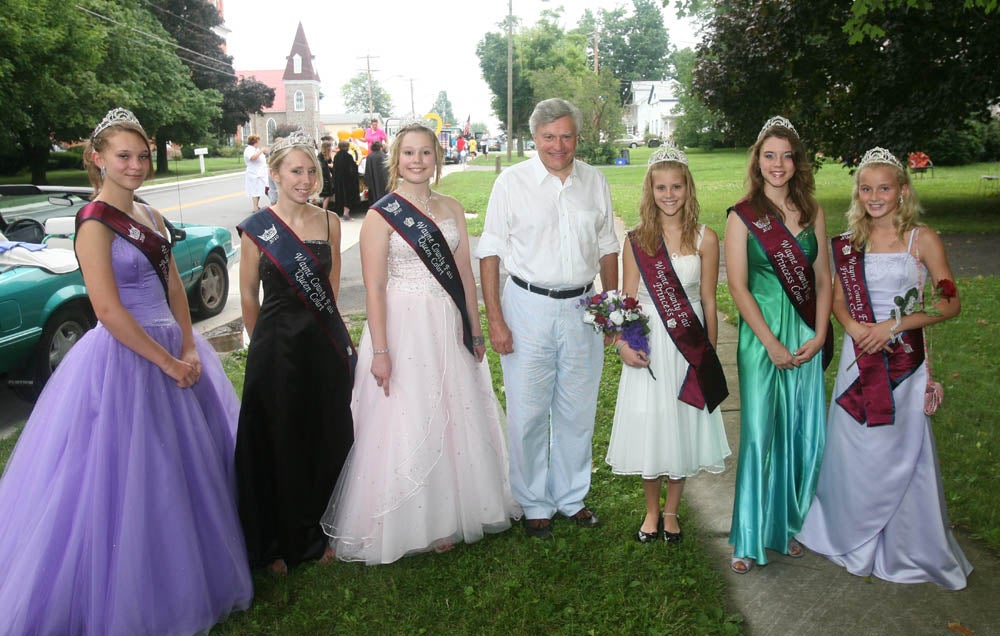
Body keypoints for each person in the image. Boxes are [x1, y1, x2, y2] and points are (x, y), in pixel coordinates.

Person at [0, 107, 252, 634]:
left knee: (184, 464)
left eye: (141, 156)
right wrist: (166, 361)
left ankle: (189, 561)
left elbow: (174, 285)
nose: (136, 165)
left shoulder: (150, 215)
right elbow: (108, 311)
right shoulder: (94, 223)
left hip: (174, 346)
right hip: (126, 357)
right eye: (123, 156)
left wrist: (188, 344)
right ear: (97, 159)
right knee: (124, 473)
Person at [322, 122, 520, 564]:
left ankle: (452, 513)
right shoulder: (381, 215)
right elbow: (374, 288)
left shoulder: (451, 207)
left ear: (437, 157)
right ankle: (411, 520)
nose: (418, 160)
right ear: (397, 159)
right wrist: (381, 350)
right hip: (402, 325)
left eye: (425, 152)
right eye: (409, 153)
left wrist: (475, 329)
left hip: (446, 323)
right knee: (410, 415)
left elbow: (464, 275)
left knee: (453, 413)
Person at [796, 147, 971, 589]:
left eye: (884, 188)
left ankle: (906, 543)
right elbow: (837, 298)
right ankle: (849, 530)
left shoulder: (922, 239)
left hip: (903, 363)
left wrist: (894, 325)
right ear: (858, 193)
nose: (875, 197)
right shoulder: (849, 242)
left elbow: (949, 302)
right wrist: (857, 329)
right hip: (859, 357)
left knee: (898, 448)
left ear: (902, 191)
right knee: (856, 445)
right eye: (866, 188)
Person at [476, 98, 619, 538]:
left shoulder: (594, 181)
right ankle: (534, 500)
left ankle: (571, 497)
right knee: (529, 410)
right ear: (534, 137)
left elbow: (608, 246)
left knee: (578, 409)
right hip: (527, 307)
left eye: (566, 136)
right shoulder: (511, 182)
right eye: (549, 136)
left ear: (578, 137)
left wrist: (610, 307)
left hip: (583, 308)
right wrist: (496, 320)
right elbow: (490, 251)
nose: (558, 145)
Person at [235, 131, 356, 576]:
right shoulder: (258, 229)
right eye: (295, 171)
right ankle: (277, 540)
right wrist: (262, 347)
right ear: (275, 174)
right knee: (280, 438)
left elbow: (332, 291)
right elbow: (247, 295)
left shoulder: (329, 222)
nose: (305, 180)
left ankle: (321, 529)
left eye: (311, 171)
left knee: (324, 432)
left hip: (320, 343)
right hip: (275, 347)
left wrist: (329, 338)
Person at [606, 146, 731, 544]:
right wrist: (624, 344)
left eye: (676, 186)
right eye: (661, 187)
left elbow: (708, 299)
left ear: (687, 188)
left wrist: (708, 353)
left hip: (688, 343)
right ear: (651, 190)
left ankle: (672, 511)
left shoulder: (706, 238)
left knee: (680, 421)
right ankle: (651, 511)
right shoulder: (636, 240)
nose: (669, 194)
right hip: (650, 341)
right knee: (651, 422)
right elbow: (628, 297)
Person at [725, 116, 832, 573]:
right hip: (761, 339)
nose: (778, 164)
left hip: (805, 335)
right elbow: (738, 287)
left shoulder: (813, 213)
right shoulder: (741, 216)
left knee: (799, 433)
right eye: (769, 155)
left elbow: (824, 280)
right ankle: (748, 537)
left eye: (786, 156)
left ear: (796, 162)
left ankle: (784, 526)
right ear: (757, 161)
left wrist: (820, 334)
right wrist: (768, 342)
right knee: (758, 434)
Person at [333, 139, 360, 222]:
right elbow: (352, 169)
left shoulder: (336, 156)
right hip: (347, 181)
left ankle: (344, 213)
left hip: (339, 181)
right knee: (348, 197)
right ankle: (346, 214)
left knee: (341, 196)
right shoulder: (348, 156)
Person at [244, 134, 268, 210]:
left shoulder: (256, 149)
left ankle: (256, 206)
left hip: (260, 173)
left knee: (260, 189)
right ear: (255, 142)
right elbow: (253, 157)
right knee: (255, 190)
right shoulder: (249, 149)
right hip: (254, 173)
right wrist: (261, 151)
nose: (259, 143)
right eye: (258, 141)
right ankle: (255, 207)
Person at [364, 140, 390, 204]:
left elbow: (368, 169)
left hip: (373, 181)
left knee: (375, 198)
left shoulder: (370, 156)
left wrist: (367, 181)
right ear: (380, 147)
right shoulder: (385, 156)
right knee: (385, 198)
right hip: (384, 181)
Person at [319, 139, 335, 210]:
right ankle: (324, 211)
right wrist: (329, 166)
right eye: (330, 146)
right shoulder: (321, 156)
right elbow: (323, 166)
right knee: (327, 195)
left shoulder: (324, 155)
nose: (331, 148)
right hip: (325, 178)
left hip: (326, 178)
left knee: (326, 196)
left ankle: (324, 210)